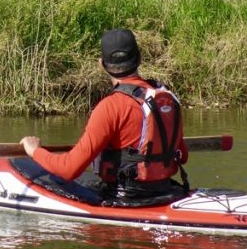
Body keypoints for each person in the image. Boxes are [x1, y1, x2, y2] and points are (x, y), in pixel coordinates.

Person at [20, 28, 188, 201]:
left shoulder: (110, 107)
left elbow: (69, 169)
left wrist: (35, 151)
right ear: (139, 59)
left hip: (127, 198)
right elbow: (183, 156)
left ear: (101, 64)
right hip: (165, 190)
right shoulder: (166, 99)